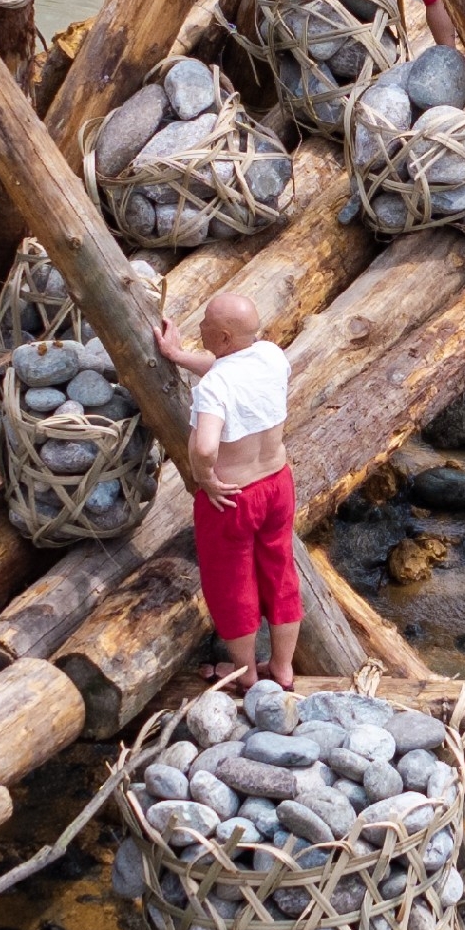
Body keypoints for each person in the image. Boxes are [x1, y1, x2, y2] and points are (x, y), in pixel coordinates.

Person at [160, 290, 301, 687]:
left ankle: (245, 674)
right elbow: (225, 366)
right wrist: (178, 356)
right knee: (280, 572)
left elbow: (206, 446)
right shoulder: (271, 355)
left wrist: (205, 477)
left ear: (222, 337)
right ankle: (283, 667)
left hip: (233, 497)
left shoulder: (213, 388)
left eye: (206, 322)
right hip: (277, 484)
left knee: (232, 581)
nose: (200, 326)